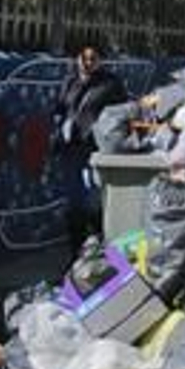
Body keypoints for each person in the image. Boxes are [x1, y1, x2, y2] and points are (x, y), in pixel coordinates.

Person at [53, 45, 128, 252]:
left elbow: (123, 112)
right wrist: (61, 124)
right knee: (73, 201)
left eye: (93, 58)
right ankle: (75, 252)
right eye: (83, 58)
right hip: (70, 148)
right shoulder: (70, 81)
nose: (87, 63)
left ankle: (99, 246)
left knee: (92, 197)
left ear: (100, 60)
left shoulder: (110, 84)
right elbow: (60, 107)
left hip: (94, 148)